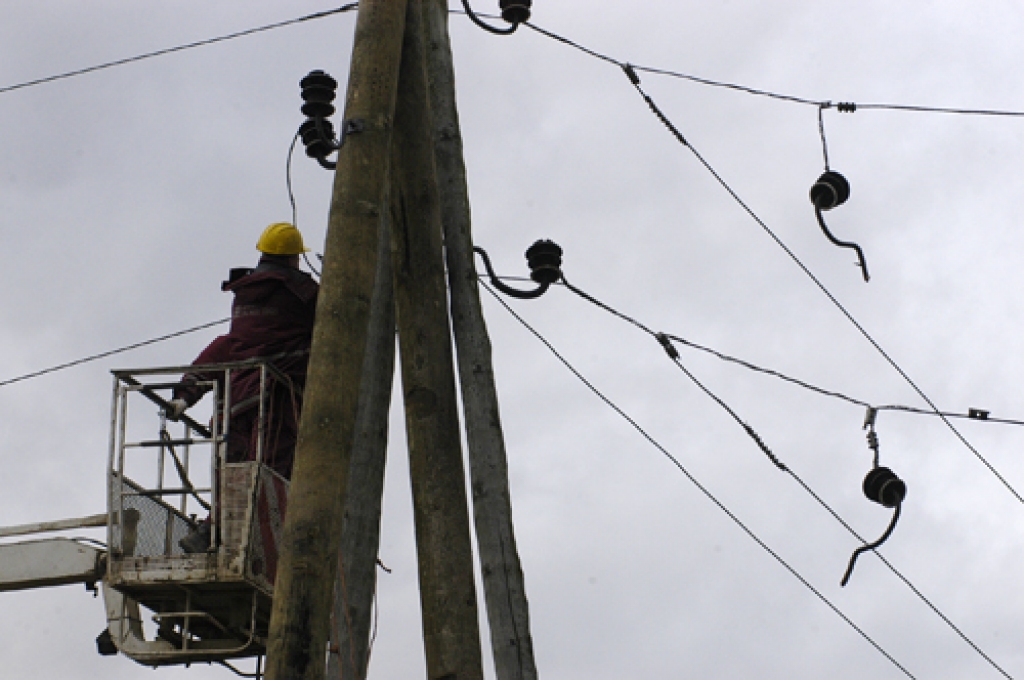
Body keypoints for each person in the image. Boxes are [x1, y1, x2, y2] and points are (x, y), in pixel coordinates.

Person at [168, 222, 319, 552]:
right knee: (270, 472)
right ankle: (258, 547)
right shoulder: (304, 296)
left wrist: (184, 396)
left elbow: (218, 352)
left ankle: (211, 534)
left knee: (234, 472)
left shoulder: (243, 301)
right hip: (275, 402)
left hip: (233, 405)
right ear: (295, 258)